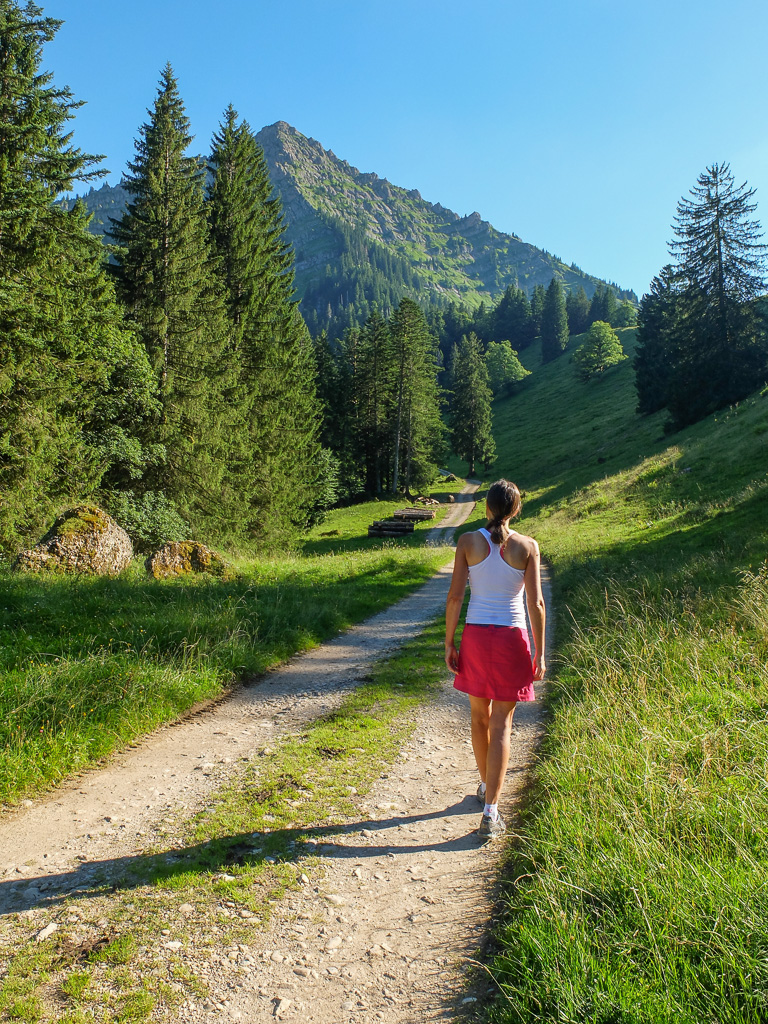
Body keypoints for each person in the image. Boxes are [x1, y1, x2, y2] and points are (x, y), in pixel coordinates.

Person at [444, 479, 546, 838]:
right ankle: (491, 811)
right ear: (516, 510)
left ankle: (487, 787)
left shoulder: (468, 542)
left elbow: (455, 598)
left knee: (479, 718)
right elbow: (535, 604)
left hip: (475, 636)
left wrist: (449, 643)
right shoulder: (527, 546)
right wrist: (540, 652)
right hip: (511, 640)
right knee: (502, 723)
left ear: (486, 507)